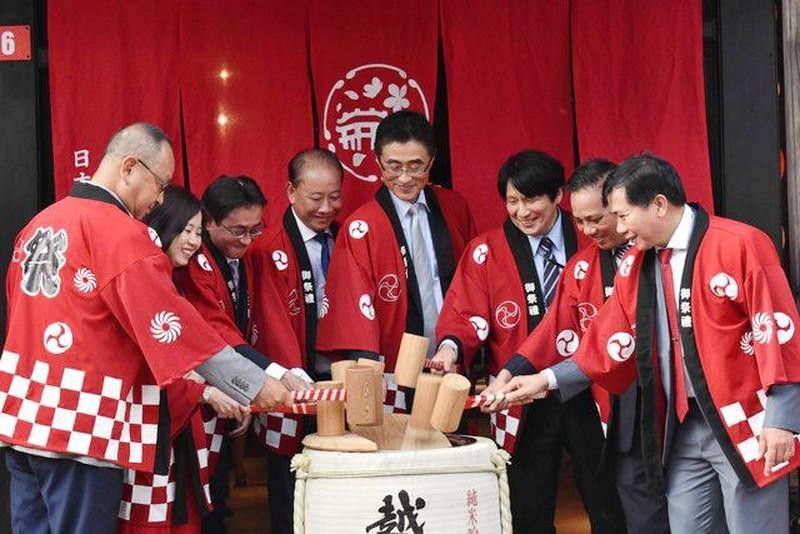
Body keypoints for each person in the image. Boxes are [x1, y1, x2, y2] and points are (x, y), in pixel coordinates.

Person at [0, 123, 287, 533]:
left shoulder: (40, 224)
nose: (159, 199)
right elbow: (171, 325)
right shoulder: (121, 234)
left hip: (23, 415)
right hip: (81, 425)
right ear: (130, 167)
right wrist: (254, 383)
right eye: (161, 184)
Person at [499, 154, 800, 533]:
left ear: (658, 204)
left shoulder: (741, 243)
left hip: (748, 420)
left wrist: (782, 419)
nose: (619, 228)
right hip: (682, 425)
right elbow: (608, 339)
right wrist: (545, 381)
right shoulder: (636, 262)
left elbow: (778, 329)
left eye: (622, 216)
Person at [432, 151, 625, 533]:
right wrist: (449, 348)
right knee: (527, 504)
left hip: (592, 387)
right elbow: (464, 313)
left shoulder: (594, 236)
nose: (522, 211)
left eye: (532, 199)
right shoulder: (486, 251)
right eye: (512, 201)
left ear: (559, 195)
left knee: (609, 496)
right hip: (520, 392)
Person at [486, 159, 668, 534]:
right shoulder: (582, 266)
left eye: (598, 219)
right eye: (580, 221)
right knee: (624, 496)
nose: (587, 230)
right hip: (608, 394)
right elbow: (556, 329)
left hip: (667, 391)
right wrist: (509, 373)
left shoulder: (661, 251)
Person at [173, 175, 311, 532]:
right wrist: (275, 374)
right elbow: (215, 332)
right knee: (203, 493)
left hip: (229, 383)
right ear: (208, 220)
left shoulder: (245, 255)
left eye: (255, 229)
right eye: (237, 231)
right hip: (198, 389)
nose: (247, 241)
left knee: (217, 487)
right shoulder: (193, 262)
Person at [316, 110, 476, 412]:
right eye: (393, 166)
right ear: (377, 162)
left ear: (431, 162)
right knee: (395, 449)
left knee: (450, 448)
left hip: (449, 359)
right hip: (389, 368)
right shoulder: (361, 226)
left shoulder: (454, 208)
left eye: (415, 166)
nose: (404, 178)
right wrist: (368, 372)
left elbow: (471, 286)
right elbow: (352, 308)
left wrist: (456, 343)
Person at [120, 186, 249, 533]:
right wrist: (204, 393)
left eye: (197, 232)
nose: (193, 241)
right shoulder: (144, 281)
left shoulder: (176, 281)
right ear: (164, 224)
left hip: (179, 433)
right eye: (186, 230)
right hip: (152, 437)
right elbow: (144, 369)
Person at [249, 148, 342, 534]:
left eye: (334, 196)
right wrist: (293, 375)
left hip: (338, 380)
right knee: (291, 478)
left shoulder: (347, 236)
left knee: (339, 476)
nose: (326, 208)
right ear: (291, 192)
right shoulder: (268, 246)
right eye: (315, 198)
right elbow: (269, 321)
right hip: (292, 381)